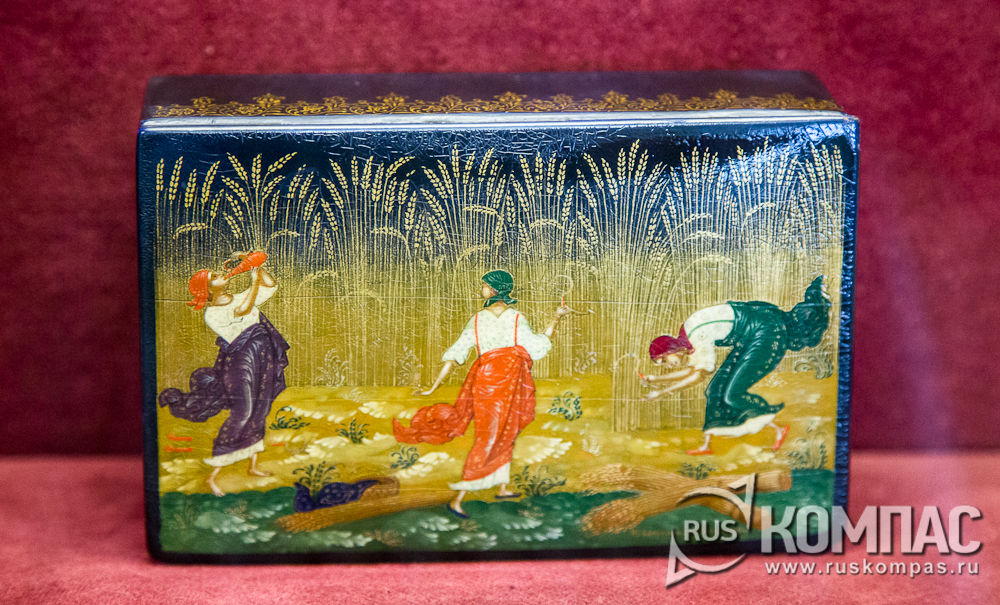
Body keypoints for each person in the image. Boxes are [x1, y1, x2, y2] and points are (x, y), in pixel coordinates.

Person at [393, 270, 570, 517]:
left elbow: (457, 354)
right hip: (498, 383)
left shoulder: (494, 318)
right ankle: (459, 498)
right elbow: (537, 346)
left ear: (495, 289)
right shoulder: (507, 318)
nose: (482, 289)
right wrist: (433, 386)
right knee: (489, 435)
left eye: (485, 285)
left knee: (505, 431)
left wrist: (556, 317)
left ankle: (502, 487)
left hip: (501, 382)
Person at [642, 276, 830, 456]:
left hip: (766, 330)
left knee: (733, 394)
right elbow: (692, 371)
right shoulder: (687, 339)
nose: (667, 366)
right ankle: (707, 445)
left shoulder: (696, 335)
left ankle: (779, 430)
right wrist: (654, 380)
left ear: (669, 350)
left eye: (664, 360)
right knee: (715, 391)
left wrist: (662, 392)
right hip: (750, 333)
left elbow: (698, 376)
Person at [158, 252, 289, 497]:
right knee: (243, 412)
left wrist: (255, 265)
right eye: (214, 277)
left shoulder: (239, 296)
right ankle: (213, 475)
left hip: (262, 356)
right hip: (239, 364)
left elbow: (270, 286)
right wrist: (254, 278)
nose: (221, 274)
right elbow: (243, 309)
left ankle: (252, 466)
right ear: (208, 289)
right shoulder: (213, 314)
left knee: (260, 409)